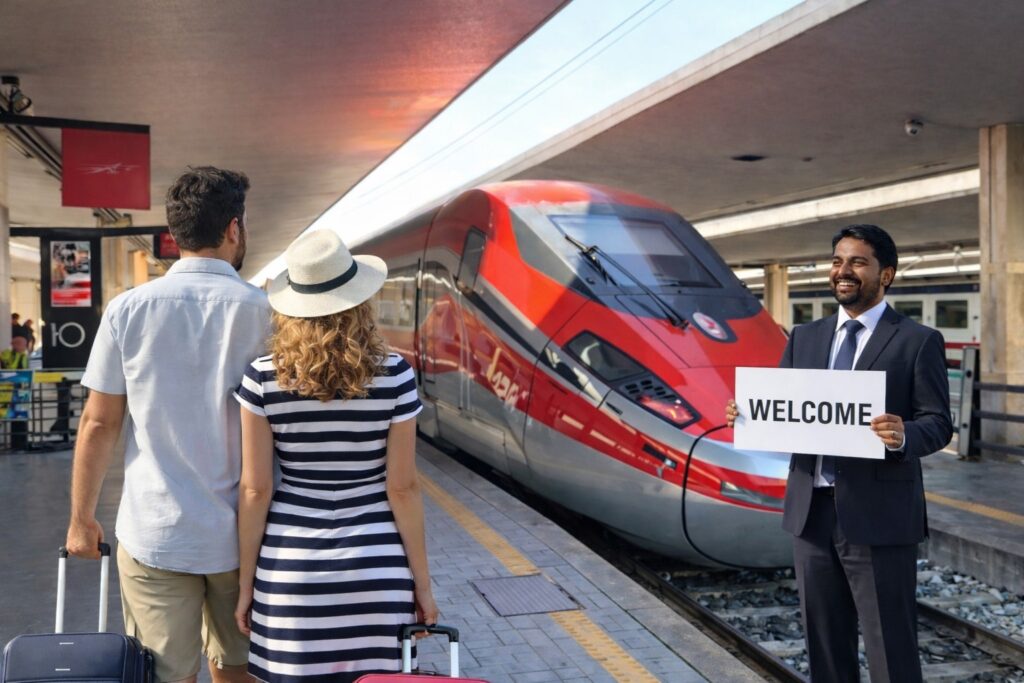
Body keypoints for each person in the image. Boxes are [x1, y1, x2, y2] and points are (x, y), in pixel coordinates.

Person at [65, 166, 271, 683]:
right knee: (239, 669)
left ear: (175, 236)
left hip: (156, 533)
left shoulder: (127, 310)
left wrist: (80, 520)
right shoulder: (269, 313)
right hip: (246, 536)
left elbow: (98, 423)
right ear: (234, 229)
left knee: (163, 675)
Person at [726, 224, 952, 683]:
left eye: (857, 262)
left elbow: (939, 424)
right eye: (836, 261)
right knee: (825, 648)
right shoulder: (805, 337)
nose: (842, 271)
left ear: (885, 275)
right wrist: (747, 414)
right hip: (811, 516)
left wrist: (904, 433)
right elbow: (785, 410)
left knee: (891, 648)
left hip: (880, 517)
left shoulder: (916, 340)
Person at [233, 230, 437, 683]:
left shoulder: (262, 378)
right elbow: (402, 488)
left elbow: (255, 488)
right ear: (360, 300)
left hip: (290, 573)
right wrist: (421, 586)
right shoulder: (396, 375)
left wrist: (247, 585)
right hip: (378, 567)